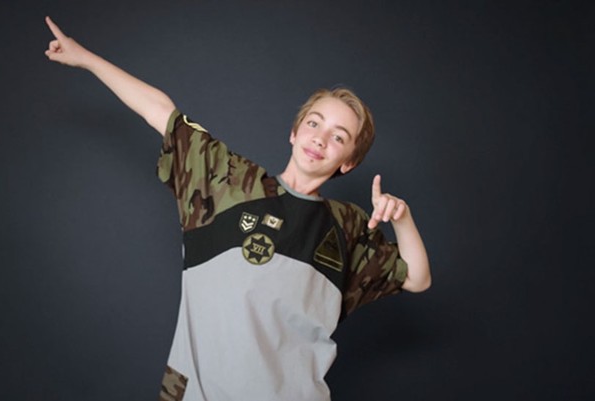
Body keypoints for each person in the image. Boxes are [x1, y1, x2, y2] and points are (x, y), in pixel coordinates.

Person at [44, 16, 431, 401]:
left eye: (339, 137)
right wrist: (86, 59)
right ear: (294, 132)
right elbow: (160, 111)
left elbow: (417, 278)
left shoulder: (346, 226)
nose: (320, 139)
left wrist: (403, 218)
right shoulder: (226, 181)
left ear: (349, 161)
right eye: (314, 124)